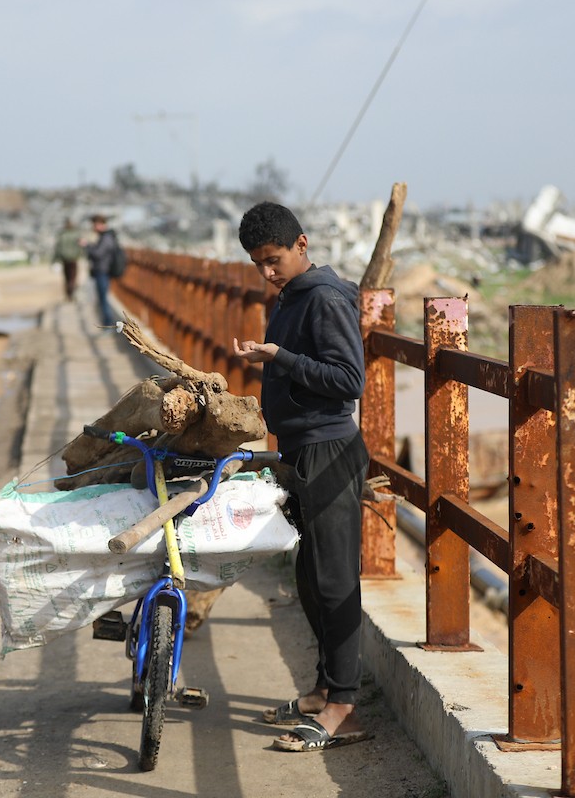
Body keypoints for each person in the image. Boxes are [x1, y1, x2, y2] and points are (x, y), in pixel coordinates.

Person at [231, 202, 371, 753]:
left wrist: (281, 358)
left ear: (302, 244)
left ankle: (345, 709)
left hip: (329, 450)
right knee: (310, 576)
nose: (267, 272)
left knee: (334, 579)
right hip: (299, 449)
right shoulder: (292, 295)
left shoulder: (325, 298)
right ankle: (324, 689)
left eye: (274, 260)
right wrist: (271, 359)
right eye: (258, 264)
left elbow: (349, 379)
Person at [82, 215, 118, 327]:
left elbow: (98, 254)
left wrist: (87, 246)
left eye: (94, 224)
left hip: (103, 271)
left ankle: (108, 324)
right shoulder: (105, 237)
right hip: (101, 271)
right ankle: (107, 323)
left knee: (103, 299)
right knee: (102, 298)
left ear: (100, 224)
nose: (93, 227)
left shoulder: (106, 237)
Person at [53, 218, 83, 301]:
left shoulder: (62, 235)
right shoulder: (76, 234)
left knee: (67, 278)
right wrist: (78, 255)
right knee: (73, 277)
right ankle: (72, 292)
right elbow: (80, 247)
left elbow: (58, 248)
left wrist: (56, 259)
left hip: (65, 259)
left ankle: (69, 294)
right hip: (73, 259)